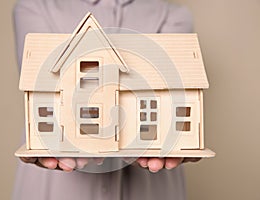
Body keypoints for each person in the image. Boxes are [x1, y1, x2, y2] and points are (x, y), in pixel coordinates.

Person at [12, 0, 198, 199]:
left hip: (151, 188)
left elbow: (168, 91)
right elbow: (41, 83)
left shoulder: (173, 15)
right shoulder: (35, 7)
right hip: (55, 190)